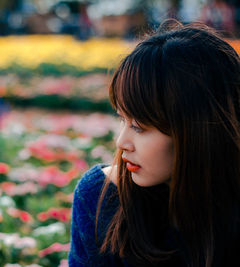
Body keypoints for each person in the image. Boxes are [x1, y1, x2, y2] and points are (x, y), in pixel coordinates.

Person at [69, 20, 240, 267]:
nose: (121, 143)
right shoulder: (101, 197)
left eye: (139, 126)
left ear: (197, 130)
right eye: (122, 119)